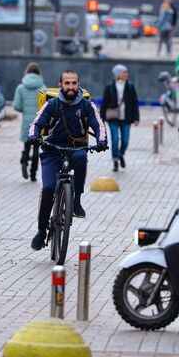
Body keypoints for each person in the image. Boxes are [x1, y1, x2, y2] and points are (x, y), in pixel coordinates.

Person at [27, 70, 107, 250]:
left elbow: (98, 124)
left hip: (76, 147)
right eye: (67, 83)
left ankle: (76, 199)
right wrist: (33, 136)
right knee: (48, 188)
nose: (71, 87)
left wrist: (102, 141)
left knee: (80, 157)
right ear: (60, 85)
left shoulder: (86, 105)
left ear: (78, 84)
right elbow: (36, 123)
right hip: (52, 150)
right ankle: (41, 231)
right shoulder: (52, 105)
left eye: (74, 83)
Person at [100, 64, 139, 172]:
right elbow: (104, 103)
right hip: (113, 117)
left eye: (126, 72)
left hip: (126, 117)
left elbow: (134, 103)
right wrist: (101, 118)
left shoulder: (130, 86)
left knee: (125, 141)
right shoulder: (109, 87)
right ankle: (115, 161)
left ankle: (121, 154)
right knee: (115, 139)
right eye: (123, 72)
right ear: (118, 74)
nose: (126, 74)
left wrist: (136, 118)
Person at [12, 62, 45, 181]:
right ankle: (33, 174)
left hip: (26, 121)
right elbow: (46, 106)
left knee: (26, 145)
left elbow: (16, 105)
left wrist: (25, 110)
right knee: (36, 147)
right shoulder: (43, 88)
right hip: (39, 122)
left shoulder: (21, 87)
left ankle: (24, 161)